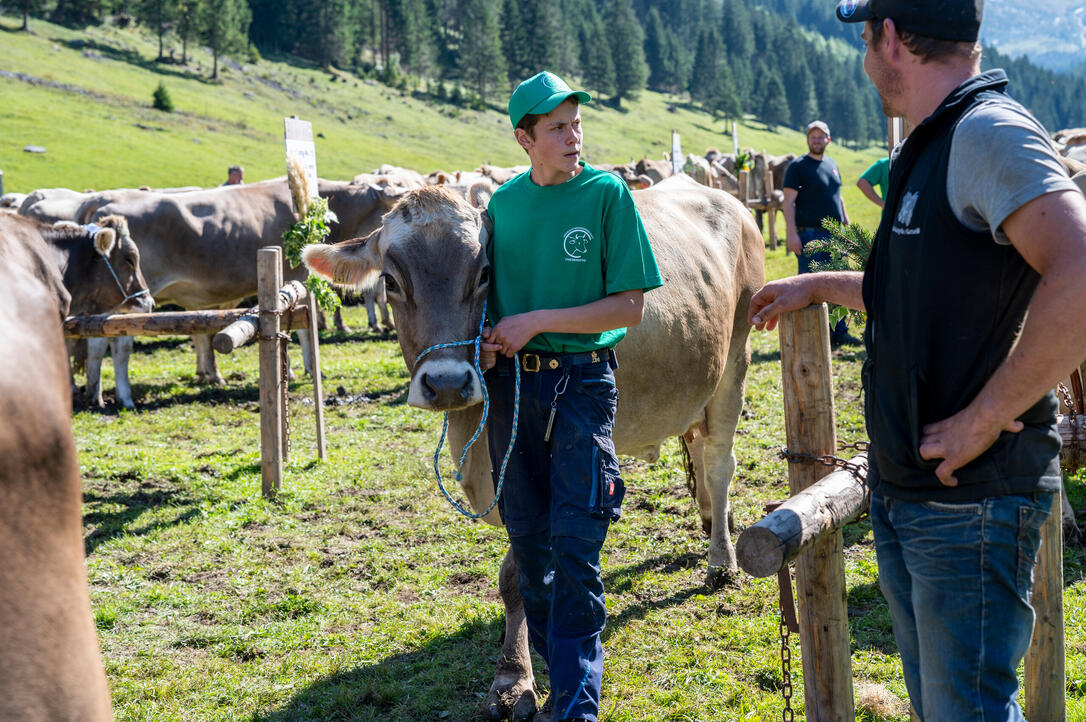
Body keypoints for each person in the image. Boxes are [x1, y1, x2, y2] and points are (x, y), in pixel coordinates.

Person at [749, 0, 1086, 718]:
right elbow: (918, 292)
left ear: (891, 38)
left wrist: (988, 415)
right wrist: (818, 284)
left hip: (974, 498)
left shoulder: (987, 132)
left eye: (866, 38)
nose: (865, 57)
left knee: (967, 709)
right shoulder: (930, 144)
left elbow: (1082, 272)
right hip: (920, 493)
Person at [478, 70, 662, 722]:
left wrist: (537, 321)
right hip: (513, 390)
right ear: (525, 139)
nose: (573, 137)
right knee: (531, 551)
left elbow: (632, 307)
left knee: (576, 549)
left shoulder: (607, 195)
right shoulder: (502, 207)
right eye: (557, 128)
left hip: (584, 381)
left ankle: (575, 712)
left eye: (576, 124)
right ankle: (565, 689)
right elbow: (489, 306)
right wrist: (498, 339)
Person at [782, 120, 858, 345]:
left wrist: (846, 220)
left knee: (841, 284)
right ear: (807, 139)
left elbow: (838, 195)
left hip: (836, 236)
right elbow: (787, 203)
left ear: (828, 139)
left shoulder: (832, 164)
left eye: (820, 136)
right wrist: (792, 234)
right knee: (810, 287)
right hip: (810, 235)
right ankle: (812, 335)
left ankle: (838, 332)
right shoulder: (798, 167)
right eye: (812, 136)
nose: (816, 140)